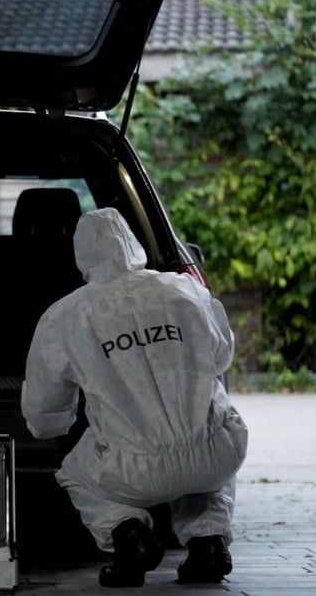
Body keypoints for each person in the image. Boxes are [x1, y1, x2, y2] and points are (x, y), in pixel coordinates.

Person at [21, 207, 248, 588]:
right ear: (134, 244)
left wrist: (57, 426)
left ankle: (129, 538)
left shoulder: (64, 316)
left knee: (76, 472)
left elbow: (45, 414)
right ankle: (208, 542)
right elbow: (222, 355)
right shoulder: (186, 290)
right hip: (215, 453)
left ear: (82, 257)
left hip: (133, 469)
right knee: (213, 431)